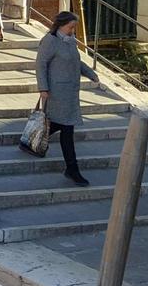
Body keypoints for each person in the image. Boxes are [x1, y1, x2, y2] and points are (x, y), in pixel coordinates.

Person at [34, 11, 100, 187]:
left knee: (59, 124)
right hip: (56, 92)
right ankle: (72, 169)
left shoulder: (70, 41)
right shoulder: (50, 41)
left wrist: (91, 73)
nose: (73, 29)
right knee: (67, 129)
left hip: (70, 92)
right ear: (61, 25)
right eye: (70, 26)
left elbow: (76, 62)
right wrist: (43, 87)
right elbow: (40, 64)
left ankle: (35, 138)